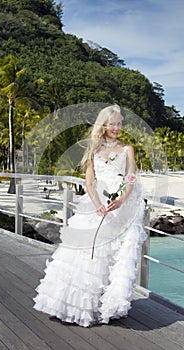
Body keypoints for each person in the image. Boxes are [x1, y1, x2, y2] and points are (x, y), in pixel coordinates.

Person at [33, 104, 147, 327]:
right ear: (103, 125)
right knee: (89, 255)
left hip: (121, 206)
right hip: (96, 206)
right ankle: (83, 304)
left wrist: (122, 199)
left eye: (119, 123)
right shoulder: (92, 149)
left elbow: (131, 177)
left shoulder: (127, 149)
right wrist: (97, 205)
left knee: (116, 257)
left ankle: (112, 304)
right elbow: (89, 183)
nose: (116, 128)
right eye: (112, 124)